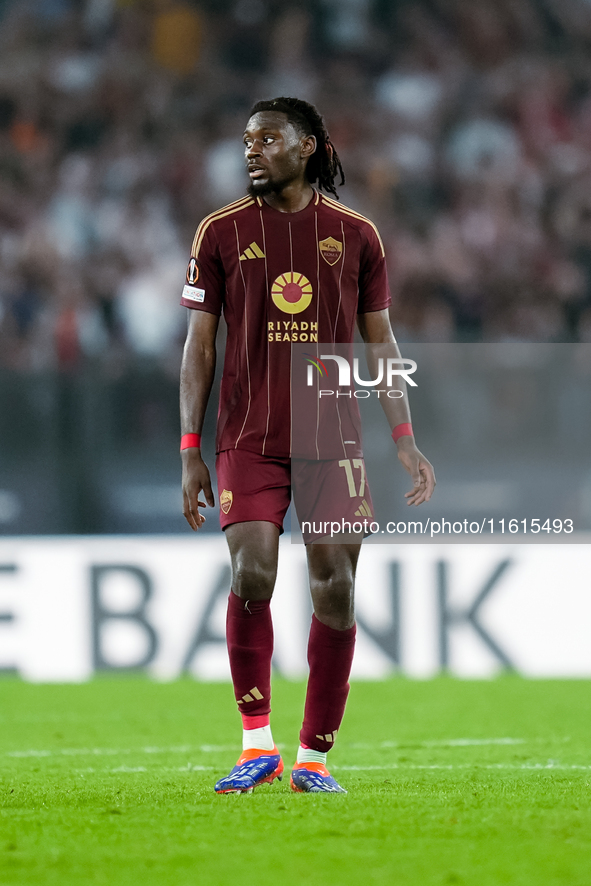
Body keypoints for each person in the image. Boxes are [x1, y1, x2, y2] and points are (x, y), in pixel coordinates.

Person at [179, 97, 435, 794]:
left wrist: (403, 438)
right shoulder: (220, 231)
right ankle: (254, 744)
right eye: (245, 140)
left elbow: (381, 341)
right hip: (247, 438)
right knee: (252, 573)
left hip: (333, 443)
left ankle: (313, 760)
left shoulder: (355, 234)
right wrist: (189, 449)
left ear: (311, 146)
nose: (251, 150)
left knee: (335, 592)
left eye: (267, 138)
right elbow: (198, 348)